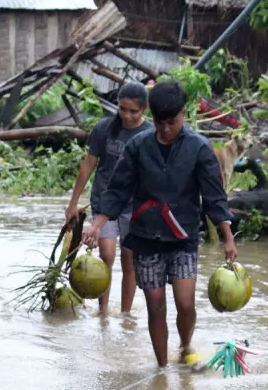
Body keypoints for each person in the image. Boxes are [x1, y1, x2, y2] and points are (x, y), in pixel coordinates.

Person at [82, 80, 237, 368]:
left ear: (184, 114)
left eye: (172, 122)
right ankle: (162, 369)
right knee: (155, 304)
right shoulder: (138, 147)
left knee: (186, 302)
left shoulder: (199, 148)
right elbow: (117, 191)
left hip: (183, 237)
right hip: (147, 237)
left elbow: (214, 197)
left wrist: (227, 236)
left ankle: (185, 345)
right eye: (160, 122)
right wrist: (97, 225)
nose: (166, 129)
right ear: (151, 118)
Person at [65, 82, 153, 316]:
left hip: (135, 206)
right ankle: (103, 311)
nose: (127, 115)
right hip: (104, 200)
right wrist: (73, 203)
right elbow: (88, 166)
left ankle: (125, 314)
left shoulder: (150, 134)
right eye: (122, 109)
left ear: (144, 110)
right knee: (106, 255)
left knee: (130, 262)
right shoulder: (104, 129)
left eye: (133, 111)